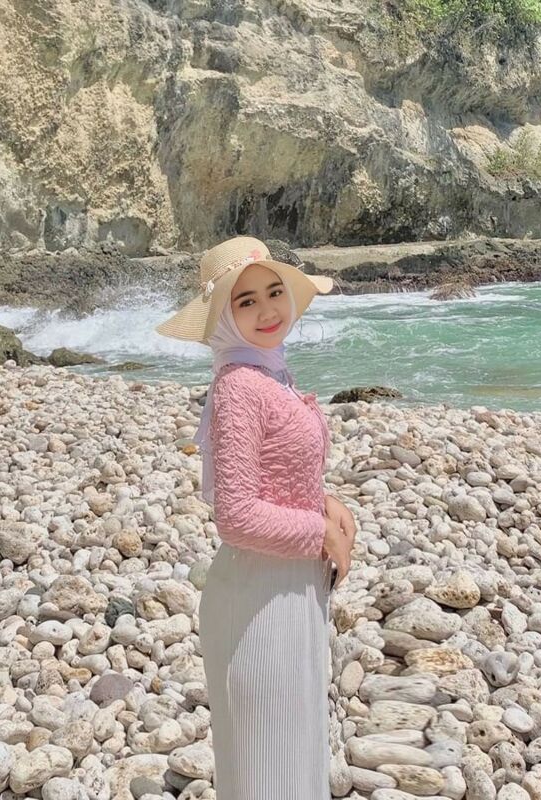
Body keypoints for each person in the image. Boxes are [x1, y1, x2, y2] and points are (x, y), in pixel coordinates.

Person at [155, 235, 356, 799]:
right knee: (270, 757)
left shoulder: (268, 370)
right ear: (223, 315)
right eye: (246, 301)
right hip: (258, 594)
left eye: (274, 292)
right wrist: (320, 532)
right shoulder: (241, 386)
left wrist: (322, 501)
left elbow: (276, 471)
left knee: (291, 745)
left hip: (286, 584)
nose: (268, 310)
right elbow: (237, 516)